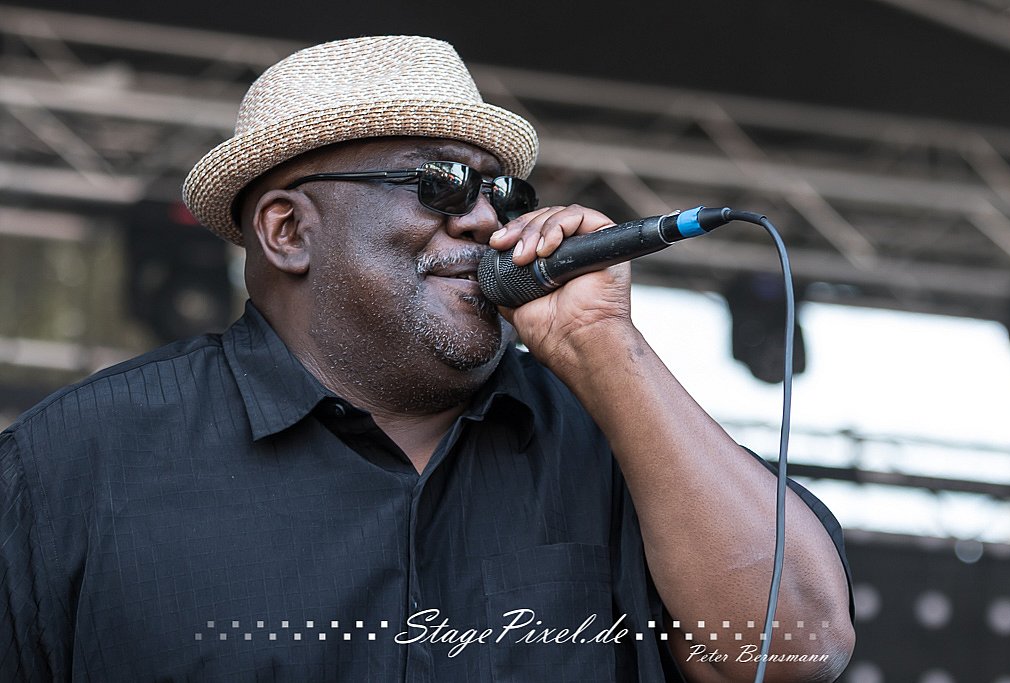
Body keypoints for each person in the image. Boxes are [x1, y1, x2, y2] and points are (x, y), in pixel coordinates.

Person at [0, 36, 854, 682]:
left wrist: (601, 342)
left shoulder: (623, 446)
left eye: (501, 192)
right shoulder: (75, 463)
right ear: (288, 230)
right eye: (438, 182)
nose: (484, 218)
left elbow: (800, 650)